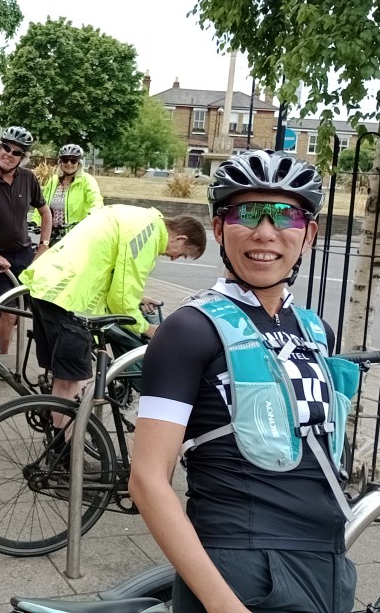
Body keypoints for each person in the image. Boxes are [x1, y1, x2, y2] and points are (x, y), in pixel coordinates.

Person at [128, 150, 356, 612]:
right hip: (241, 570)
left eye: (285, 215)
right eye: (247, 214)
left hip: (326, 563)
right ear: (218, 229)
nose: (265, 232)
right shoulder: (189, 330)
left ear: (309, 234)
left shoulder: (316, 331)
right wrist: (225, 606)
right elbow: (148, 480)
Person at [20, 204, 205, 405]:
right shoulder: (148, 236)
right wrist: (148, 329)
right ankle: (69, 425)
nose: (175, 258)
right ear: (181, 238)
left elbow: (110, 266)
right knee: (74, 383)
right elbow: (122, 300)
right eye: (183, 253)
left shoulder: (141, 218)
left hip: (48, 286)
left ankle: (56, 422)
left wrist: (138, 298)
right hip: (69, 298)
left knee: (63, 377)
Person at [0, 125, 51, 356]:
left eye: (16, 152)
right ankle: (3, 359)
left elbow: (45, 212)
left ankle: (0, 342)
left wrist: (43, 246)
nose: (9, 154)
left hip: (24, 253)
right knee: (8, 311)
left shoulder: (28, 178)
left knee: (25, 309)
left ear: (22, 158)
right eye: (6, 148)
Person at [32, 143, 102, 238]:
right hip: (51, 234)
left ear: (79, 163)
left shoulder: (87, 180)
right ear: (60, 162)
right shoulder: (53, 180)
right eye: (65, 160)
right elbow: (41, 204)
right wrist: (35, 222)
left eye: (73, 161)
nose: (69, 163)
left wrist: (93, 215)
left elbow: (96, 200)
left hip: (76, 236)